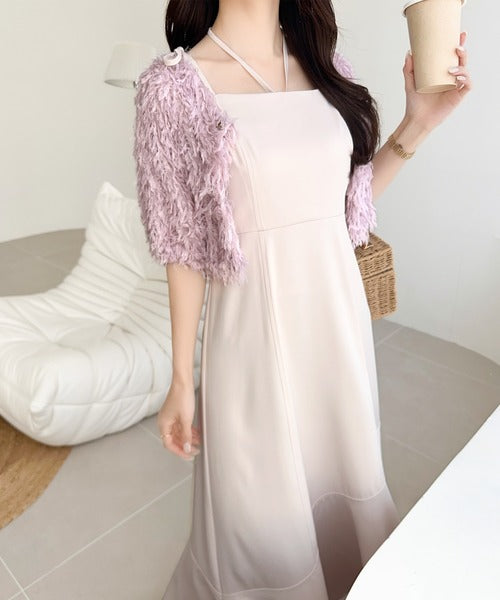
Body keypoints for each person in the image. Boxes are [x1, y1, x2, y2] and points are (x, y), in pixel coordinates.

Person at [133, 1, 471, 598]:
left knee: (342, 479)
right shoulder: (173, 88)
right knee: (265, 516)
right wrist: (182, 378)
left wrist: (419, 122)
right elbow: (181, 244)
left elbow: (345, 206)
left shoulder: (324, 65)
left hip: (337, 328)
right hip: (254, 344)